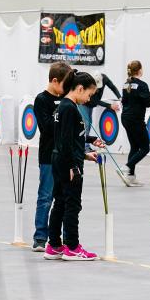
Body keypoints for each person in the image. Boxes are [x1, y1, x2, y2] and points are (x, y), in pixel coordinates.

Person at [44, 71, 104, 261]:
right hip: (68, 163)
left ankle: (54, 245)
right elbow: (66, 142)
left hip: (60, 160)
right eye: (89, 94)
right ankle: (72, 246)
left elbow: (67, 138)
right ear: (79, 88)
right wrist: (74, 166)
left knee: (60, 202)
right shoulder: (69, 108)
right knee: (72, 204)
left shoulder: (63, 106)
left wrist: (86, 152)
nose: (89, 99)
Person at [31, 61, 71, 251]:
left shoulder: (66, 99)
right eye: (65, 83)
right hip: (48, 156)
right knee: (46, 197)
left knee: (62, 199)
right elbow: (46, 128)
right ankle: (40, 237)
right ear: (55, 81)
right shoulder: (42, 100)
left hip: (64, 157)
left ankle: (57, 239)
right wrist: (60, 117)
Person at [120, 61, 150, 186]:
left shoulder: (125, 84)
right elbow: (148, 103)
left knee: (134, 147)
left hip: (126, 118)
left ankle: (131, 177)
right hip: (136, 120)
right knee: (145, 148)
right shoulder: (142, 85)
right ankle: (126, 167)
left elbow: (124, 100)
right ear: (140, 70)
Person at [82, 72, 121, 150]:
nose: (98, 88)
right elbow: (95, 101)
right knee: (86, 124)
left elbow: (112, 87)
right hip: (84, 103)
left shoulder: (104, 78)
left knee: (89, 123)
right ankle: (85, 147)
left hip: (91, 105)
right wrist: (110, 106)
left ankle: (85, 146)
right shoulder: (89, 82)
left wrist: (120, 97)